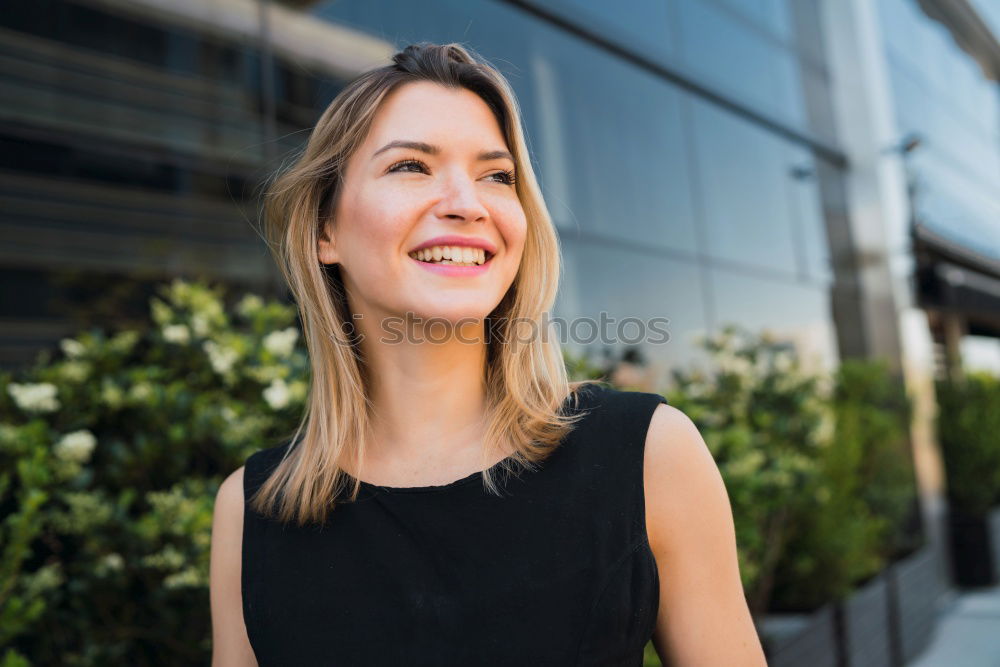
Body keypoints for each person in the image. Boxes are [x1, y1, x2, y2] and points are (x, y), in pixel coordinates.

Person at [209, 41, 766, 666]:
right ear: (324, 231)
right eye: (411, 167)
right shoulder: (252, 508)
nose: (466, 204)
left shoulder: (648, 455)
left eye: (496, 176)